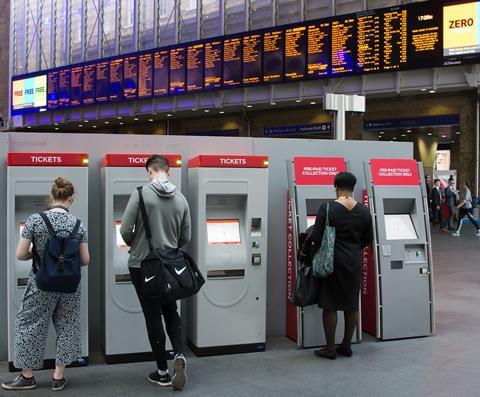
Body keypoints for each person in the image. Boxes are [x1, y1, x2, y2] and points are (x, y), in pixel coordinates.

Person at [2, 177, 89, 392]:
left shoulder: (35, 220)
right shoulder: (79, 225)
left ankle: (27, 376)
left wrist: (38, 254)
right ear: (71, 199)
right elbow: (85, 260)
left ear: (51, 197)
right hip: (70, 285)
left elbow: (20, 254)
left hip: (41, 283)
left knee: (29, 324)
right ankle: (58, 376)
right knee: (67, 325)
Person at [120, 155, 191, 390]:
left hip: (143, 265)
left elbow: (125, 231)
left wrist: (136, 244)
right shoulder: (181, 199)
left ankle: (162, 372)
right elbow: (186, 237)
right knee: (171, 310)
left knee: (152, 315)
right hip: (170, 265)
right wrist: (169, 248)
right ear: (168, 172)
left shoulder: (140, 194)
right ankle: (179, 354)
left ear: (149, 171)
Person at [310, 172, 373, 359]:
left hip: (332, 261)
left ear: (336, 187)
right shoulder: (364, 210)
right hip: (353, 260)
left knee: (330, 305)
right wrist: (354, 248)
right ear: (352, 188)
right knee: (351, 305)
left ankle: (329, 347)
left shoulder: (327, 208)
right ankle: (346, 346)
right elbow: (368, 238)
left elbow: (316, 237)